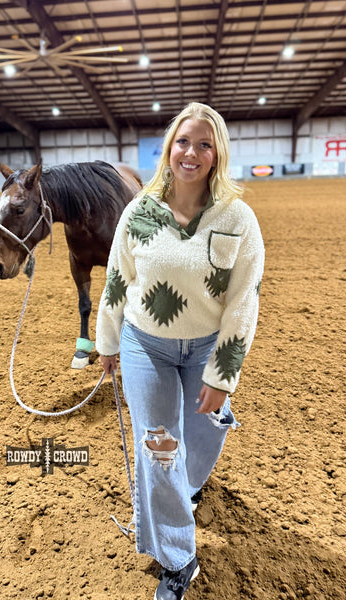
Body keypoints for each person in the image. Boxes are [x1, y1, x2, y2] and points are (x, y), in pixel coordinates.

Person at [95, 102, 264, 600]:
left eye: (204, 145)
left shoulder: (238, 217)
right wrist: (107, 341)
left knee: (206, 432)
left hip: (207, 347)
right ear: (169, 148)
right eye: (183, 142)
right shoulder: (139, 212)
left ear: (217, 155)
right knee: (160, 448)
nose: (191, 153)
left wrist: (222, 374)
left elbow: (243, 300)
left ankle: (184, 487)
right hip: (146, 346)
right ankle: (178, 557)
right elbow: (117, 278)